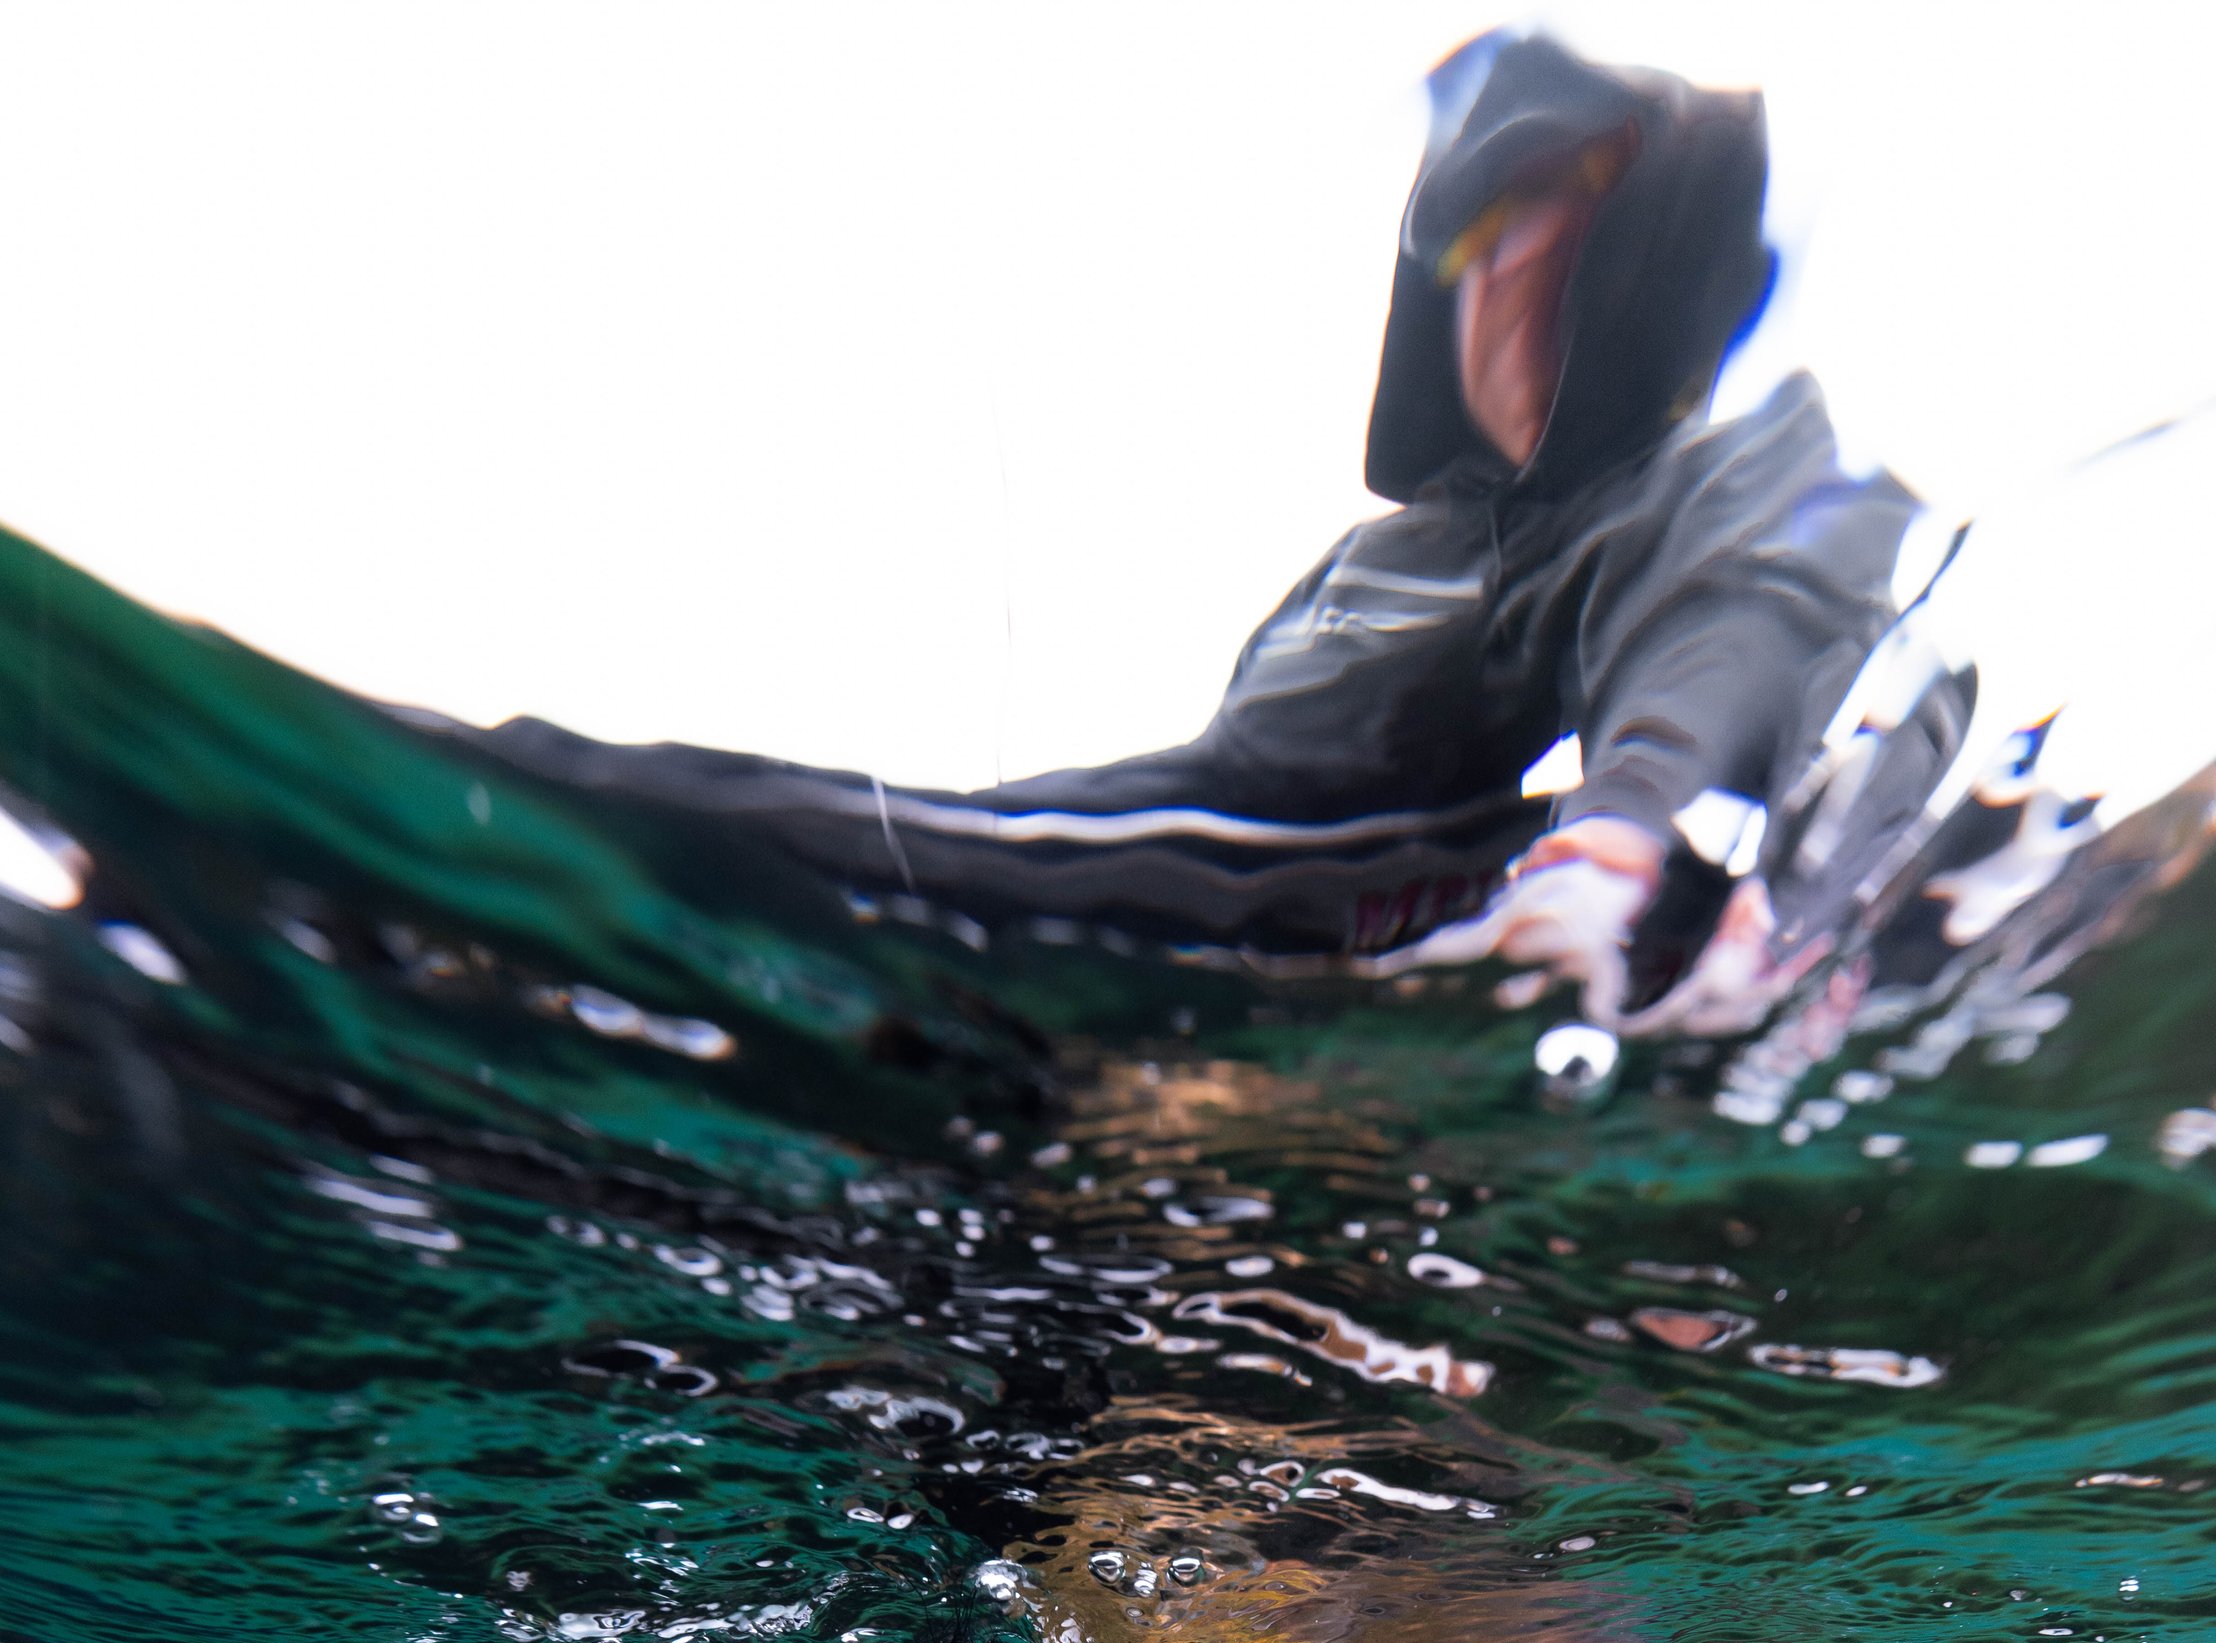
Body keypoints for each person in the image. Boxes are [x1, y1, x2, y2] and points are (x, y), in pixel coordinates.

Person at [464, 31, 1952, 1020]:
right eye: (1479, 245)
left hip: (1347, 903)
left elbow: (1745, 607)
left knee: (678, 830)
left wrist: (1616, 842)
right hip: (1202, 899)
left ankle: (489, 852)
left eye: (1558, 224)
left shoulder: (1723, 478)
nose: (1503, 285)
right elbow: (1186, 801)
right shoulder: (1401, 556)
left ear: (1650, 253)